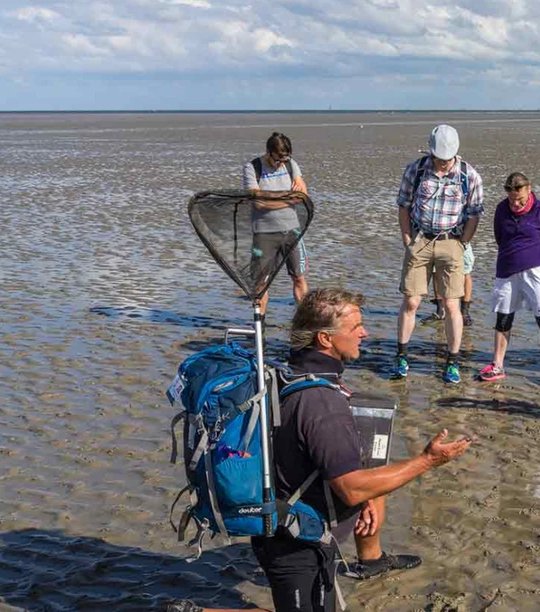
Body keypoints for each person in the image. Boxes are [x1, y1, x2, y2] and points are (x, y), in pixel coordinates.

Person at [164, 288, 473, 612]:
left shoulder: (289, 374)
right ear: (325, 339)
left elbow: (310, 457)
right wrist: (428, 460)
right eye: (356, 328)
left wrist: (365, 498)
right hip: (296, 544)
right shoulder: (322, 402)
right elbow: (351, 488)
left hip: (286, 530)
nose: (365, 333)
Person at [392, 124, 484, 384]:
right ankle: (401, 357)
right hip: (420, 240)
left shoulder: (469, 175)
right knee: (411, 301)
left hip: (451, 242)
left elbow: (475, 213)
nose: (442, 164)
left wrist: (463, 242)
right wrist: (407, 239)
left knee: (452, 304)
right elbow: (403, 205)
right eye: (437, 159)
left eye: (446, 159)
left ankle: (452, 362)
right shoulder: (416, 170)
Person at [477, 173, 540, 385]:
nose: (515, 203)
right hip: (506, 270)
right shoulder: (501, 209)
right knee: (503, 319)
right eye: (512, 198)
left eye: (520, 199)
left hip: (535, 271)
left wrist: (530, 254)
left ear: (529, 189)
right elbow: (499, 237)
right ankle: (497, 364)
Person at [243, 132, 310, 313]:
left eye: (284, 159)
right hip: (264, 233)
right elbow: (258, 202)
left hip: (292, 231)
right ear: (269, 152)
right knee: (260, 284)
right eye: (277, 160)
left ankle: (303, 322)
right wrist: (288, 199)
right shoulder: (253, 168)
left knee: (299, 278)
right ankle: (260, 326)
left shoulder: (291, 165)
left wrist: (272, 199)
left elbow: (302, 195)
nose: (280, 164)